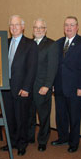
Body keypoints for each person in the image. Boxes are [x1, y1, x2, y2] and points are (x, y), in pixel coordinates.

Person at [0, 15, 38, 156]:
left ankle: (22, 144)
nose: (14, 27)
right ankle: (12, 142)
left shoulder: (30, 44)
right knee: (9, 117)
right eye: (11, 25)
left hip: (22, 88)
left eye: (17, 25)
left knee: (22, 117)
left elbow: (32, 68)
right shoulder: (5, 42)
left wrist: (27, 88)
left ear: (23, 27)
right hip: (6, 88)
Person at [52, 16, 81, 153]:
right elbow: (56, 66)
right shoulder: (58, 43)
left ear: (77, 27)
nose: (69, 27)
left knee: (74, 116)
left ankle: (74, 143)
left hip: (75, 88)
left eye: (72, 25)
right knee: (60, 115)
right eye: (66, 25)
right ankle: (63, 137)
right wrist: (53, 83)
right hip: (59, 86)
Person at [27, 18, 58, 152]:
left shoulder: (51, 44)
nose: (38, 30)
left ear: (45, 29)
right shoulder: (28, 44)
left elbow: (52, 68)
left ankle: (43, 140)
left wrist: (47, 86)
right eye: (36, 27)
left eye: (41, 27)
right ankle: (30, 136)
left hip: (42, 87)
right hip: (28, 87)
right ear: (32, 30)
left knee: (44, 116)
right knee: (29, 114)